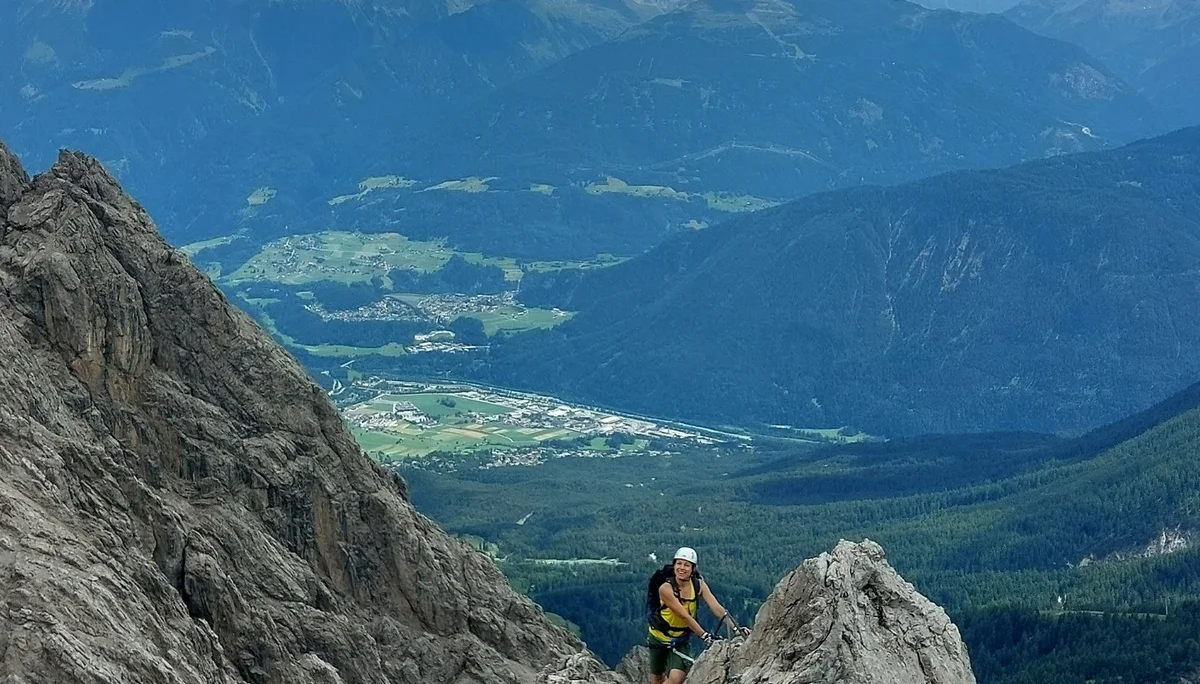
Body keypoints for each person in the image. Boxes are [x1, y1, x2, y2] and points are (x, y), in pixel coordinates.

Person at [646, 547, 751, 684]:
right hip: (659, 638)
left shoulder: (698, 585)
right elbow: (685, 616)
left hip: (680, 640)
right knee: (657, 678)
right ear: (674, 565)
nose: (682, 568)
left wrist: (736, 629)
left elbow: (717, 608)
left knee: (676, 679)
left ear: (693, 568)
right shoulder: (665, 589)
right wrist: (704, 635)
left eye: (686, 565)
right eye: (679, 563)